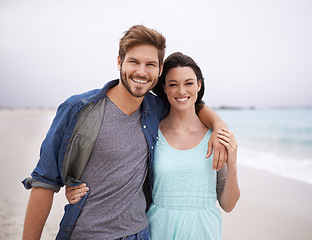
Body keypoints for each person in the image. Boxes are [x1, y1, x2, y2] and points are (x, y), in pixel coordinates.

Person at [22, 25, 228, 240]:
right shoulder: (77, 109)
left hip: (139, 233)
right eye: (134, 62)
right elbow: (44, 182)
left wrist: (219, 126)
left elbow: (191, 105)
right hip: (86, 234)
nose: (141, 71)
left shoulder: (155, 108)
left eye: (150, 64)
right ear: (119, 62)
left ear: (159, 71)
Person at [66, 52, 240, 239]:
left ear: (198, 85)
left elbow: (228, 205)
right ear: (164, 88)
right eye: (173, 84)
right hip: (159, 229)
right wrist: (79, 188)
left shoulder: (215, 137)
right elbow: (122, 171)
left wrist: (233, 165)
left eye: (189, 83)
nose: (182, 91)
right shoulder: (151, 132)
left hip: (205, 231)